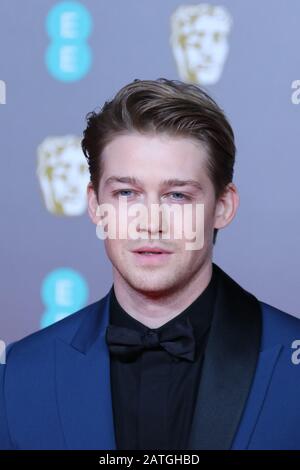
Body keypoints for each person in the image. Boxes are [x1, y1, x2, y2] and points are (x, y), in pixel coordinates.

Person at [1, 78, 299, 450]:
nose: (151, 221)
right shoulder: (20, 373)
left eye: (177, 195)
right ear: (95, 205)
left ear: (223, 207)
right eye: (127, 193)